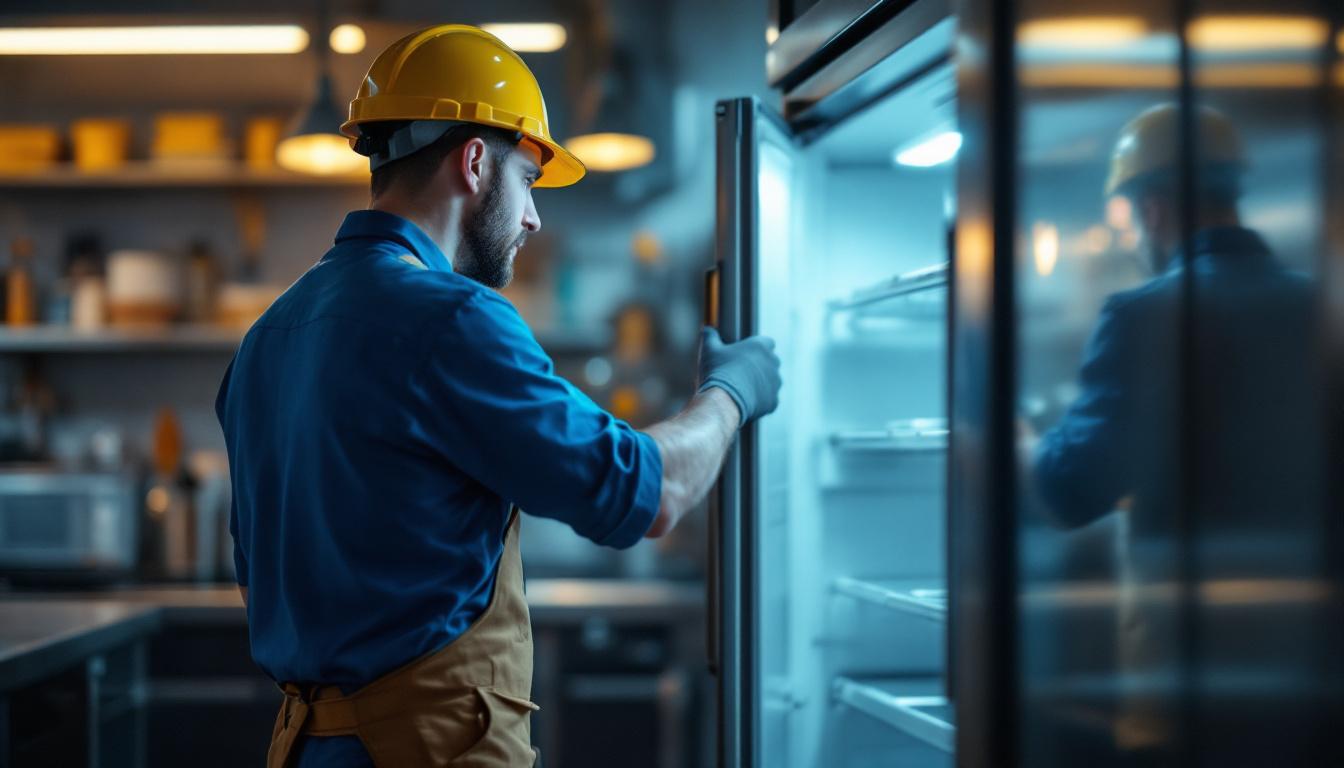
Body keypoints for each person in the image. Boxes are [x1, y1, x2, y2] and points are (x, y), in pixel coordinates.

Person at [215, 25, 781, 768]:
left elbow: (259, 577)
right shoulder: (451, 317)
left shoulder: (267, 336)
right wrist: (732, 391)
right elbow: (651, 492)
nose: (533, 218)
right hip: (424, 751)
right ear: (476, 162)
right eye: (529, 180)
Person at [1031, 104, 1324, 760]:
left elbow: (1069, 488)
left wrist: (1024, 443)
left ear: (1153, 207)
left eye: (1128, 218)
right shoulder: (1319, 308)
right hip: (1314, 676)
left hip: (1185, 685)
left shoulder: (1144, 314)